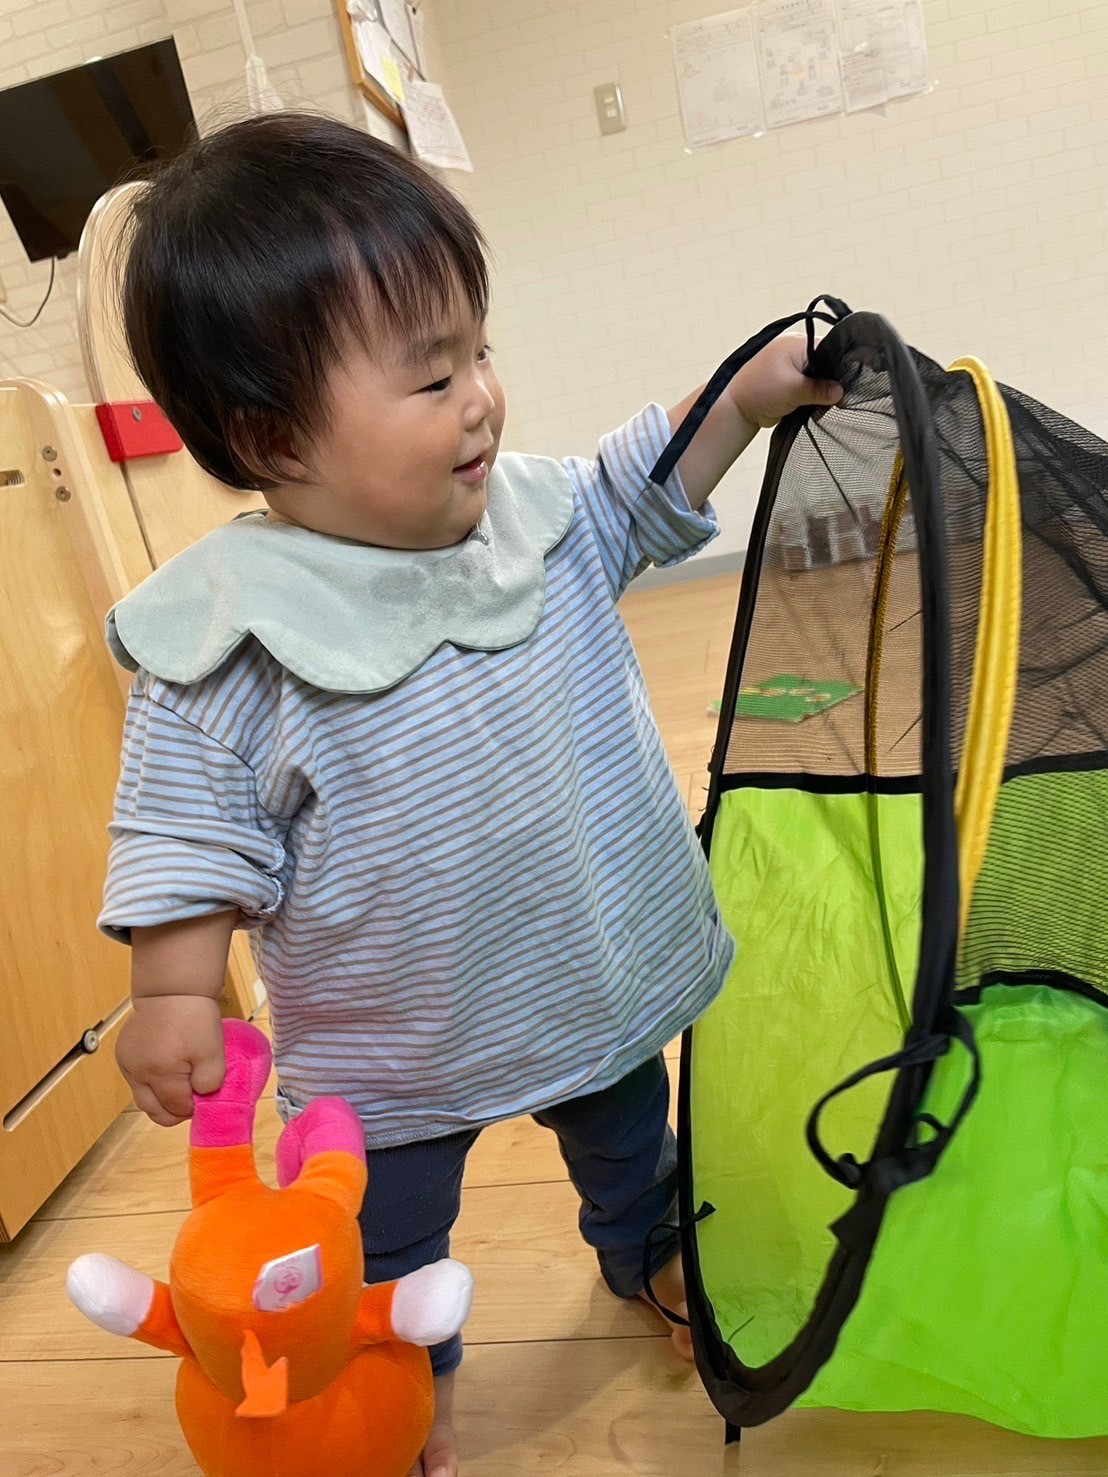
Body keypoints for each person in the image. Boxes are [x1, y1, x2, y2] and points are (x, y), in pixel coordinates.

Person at [100, 112, 841, 1477]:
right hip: (396, 1050)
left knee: (633, 1136)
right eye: (431, 375)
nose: (483, 397)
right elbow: (183, 834)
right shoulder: (229, 637)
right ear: (272, 435)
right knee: (383, 1234)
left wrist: (743, 396)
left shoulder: (535, 523)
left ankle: (647, 1246)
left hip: (584, 975)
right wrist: (173, 993)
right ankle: (394, 1369)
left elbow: (644, 478)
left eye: (479, 352)